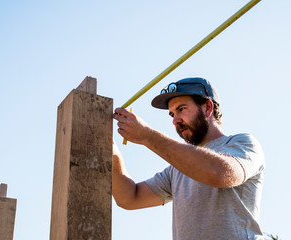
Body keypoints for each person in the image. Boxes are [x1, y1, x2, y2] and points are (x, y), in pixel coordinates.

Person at [112, 77, 265, 240]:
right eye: (172, 114)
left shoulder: (243, 144)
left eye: (181, 109)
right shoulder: (177, 169)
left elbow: (219, 173)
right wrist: (110, 149)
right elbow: (129, 198)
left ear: (207, 108)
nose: (174, 120)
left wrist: (148, 137)